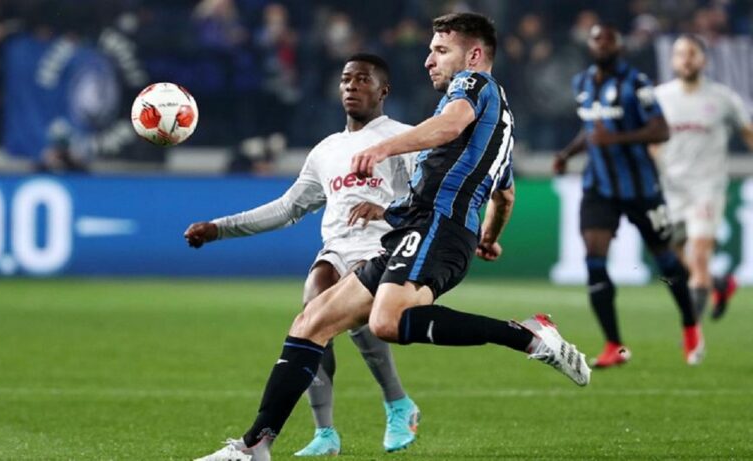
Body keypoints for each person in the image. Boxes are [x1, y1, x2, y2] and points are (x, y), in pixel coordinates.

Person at [193, 12, 591, 461]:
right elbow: (506, 194)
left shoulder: (473, 85)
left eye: (440, 50)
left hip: (437, 224)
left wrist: (382, 146)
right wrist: (488, 237)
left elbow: (449, 125)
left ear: (474, 55)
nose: (428, 61)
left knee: (386, 322)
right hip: (424, 230)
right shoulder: (499, 125)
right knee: (312, 322)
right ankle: (254, 446)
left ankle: (527, 336)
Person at [185, 54, 421, 456]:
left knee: (349, 310)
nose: (351, 86)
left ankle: (398, 403)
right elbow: (287, 208)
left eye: (363, 79)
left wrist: (386, 210)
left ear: (383, 90)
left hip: (385, 248)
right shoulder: (326, 150)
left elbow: (427, 198)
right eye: (346, 79)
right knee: (314, 305)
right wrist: (220, 228)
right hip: (338, 248)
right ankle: (325, 433)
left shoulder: (405, 139)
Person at [553, 24, 703, 369]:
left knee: (666, 261)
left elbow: (661, 130)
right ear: (590, 46)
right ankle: (614, 345)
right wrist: (567, 153)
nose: (602, 45)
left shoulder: (637, 84)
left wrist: (616, 139)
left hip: (641, 189)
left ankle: (690, 324)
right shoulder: (582, 83)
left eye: (608, 41)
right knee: (594, 261)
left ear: (619, 47)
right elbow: (591, 130)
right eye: (596, 41)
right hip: (599, 187)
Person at [654, 34, 753, 321]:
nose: (686, 59)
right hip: (671, 188)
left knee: (699, 255)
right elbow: (651, 142)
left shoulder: (722, 98)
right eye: (680, 54)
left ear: (704, 60)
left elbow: (747, 133)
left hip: (707, 187)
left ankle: (692, 330)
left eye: (692, 53)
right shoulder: (660, 97)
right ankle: (718, 283)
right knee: (671, 257)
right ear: (673, 61)